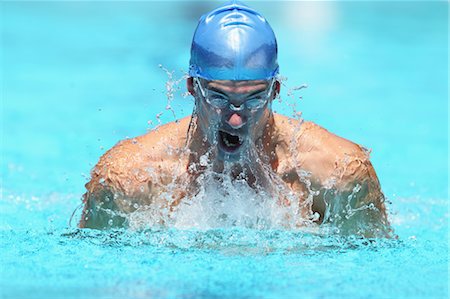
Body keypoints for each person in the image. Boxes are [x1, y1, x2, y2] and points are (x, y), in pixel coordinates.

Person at [79, 1, 392, 237]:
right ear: (191, 87)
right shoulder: (128, 179)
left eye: (254, 98)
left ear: (276, 91)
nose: (236, 119)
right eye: (218, 97)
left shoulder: (338, 175)